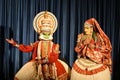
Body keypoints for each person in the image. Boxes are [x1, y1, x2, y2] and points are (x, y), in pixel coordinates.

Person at [6, 11, 70, 80]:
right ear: (40, 32)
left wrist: (44, 61)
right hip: (37, 64)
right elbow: (26, 48)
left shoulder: (54, 46)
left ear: (51, 32)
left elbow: (54, 58)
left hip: (51, 64)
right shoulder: (37, 44)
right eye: (44, 33)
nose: (46, 35)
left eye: (47, 33)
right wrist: (15, 44)